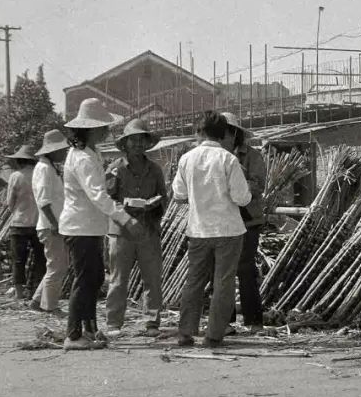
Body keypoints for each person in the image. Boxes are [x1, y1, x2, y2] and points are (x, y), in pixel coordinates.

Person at [172, 111, 252, 348]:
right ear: (225, 133)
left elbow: (179, 194)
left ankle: (185, 332)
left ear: (200, 132)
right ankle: (213, 335)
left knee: (194, 281)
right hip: (228, 230)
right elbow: (242, 198)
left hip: (198, 230)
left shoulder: (187, 158)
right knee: (223, 283)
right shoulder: (228, 160)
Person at [59, 98, 121, 350]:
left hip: (90, 226)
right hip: (80, 226)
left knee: (94, 278)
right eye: (103, 127)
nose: (107, 131)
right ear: (91, 129)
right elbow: (97, 194)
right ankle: (73, 335)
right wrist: (123, 216)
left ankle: (90, 329)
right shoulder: (82, 157)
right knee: (86, 279)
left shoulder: (90, 153)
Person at [105, 118, 167, 337]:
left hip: (148, 230)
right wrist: (126, 213)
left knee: (152, 278)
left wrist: (154, 207)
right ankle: (114, 323)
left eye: (142, 140)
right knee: (118, 278)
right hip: (121, 232)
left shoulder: (155, 170)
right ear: (125, 144)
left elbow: (164, 197)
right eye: (134, 140)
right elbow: (107, 200)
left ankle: (152, 322)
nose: (138, 144)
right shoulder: (115, 169)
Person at [222, 112, 268, 334]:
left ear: (235, 134)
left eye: (228, 132)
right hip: (223, 221)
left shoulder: (252, 156)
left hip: (248, 220)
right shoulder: (215, 156)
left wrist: (235, 180)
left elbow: (258, 186)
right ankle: (226, 321)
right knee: (223, 271)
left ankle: (253, 321)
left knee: (246, 269)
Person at [30, 129, 70, 317]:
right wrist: (54, 224)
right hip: (50, 225)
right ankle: (50, 306)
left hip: (52, 223)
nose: (64, 152)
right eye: (61, 149)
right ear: (52, 150)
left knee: (56, 265)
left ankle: (38, 300)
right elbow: (43, 201)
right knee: (58, 266)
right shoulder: (45, 169)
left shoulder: (49, 168)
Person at [4, 145, 45, 301]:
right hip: (38, 222)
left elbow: (10, 202)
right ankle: (37, 293)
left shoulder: (16, 176)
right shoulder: (40, 174)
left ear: (19, 161)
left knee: (18, 259)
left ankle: (20, 293)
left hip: (19, 223)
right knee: (41, 259)